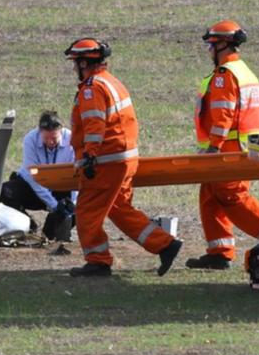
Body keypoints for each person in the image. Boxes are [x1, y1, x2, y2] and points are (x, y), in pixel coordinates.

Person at [187, 20, 259, 270]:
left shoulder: (225, 75)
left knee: (231, 197)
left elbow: (223, 113)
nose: (209, 50)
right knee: (210, 194)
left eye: (211, 45)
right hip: (243, 146)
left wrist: (213, 147)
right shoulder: (243, 71)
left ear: (223, 45)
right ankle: (219, 251)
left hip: (230, 148)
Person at [65, 38, 182, 277]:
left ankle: (98, 260)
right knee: (119, 209)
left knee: (87, 211)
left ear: (85, 62)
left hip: (105, 161)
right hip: (123, 158)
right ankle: (165, 244)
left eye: (76, 63)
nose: (75, 68)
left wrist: (89, 156)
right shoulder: (112, 82)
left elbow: (94, 124)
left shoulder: (92, 88)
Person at [0, 110, 77, 241]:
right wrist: (53, 205)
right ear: (39, 132)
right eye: (46, 138)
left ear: (62, 131)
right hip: (35, 187)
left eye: (54, 138)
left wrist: (73, 204)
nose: (50, 142)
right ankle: (28, 227)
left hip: (61, 186)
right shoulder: (30, 139)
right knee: (3, 192)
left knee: (78, 205)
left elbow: (77, 177)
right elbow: (33, 178)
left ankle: (51, 232)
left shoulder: (72, 140)